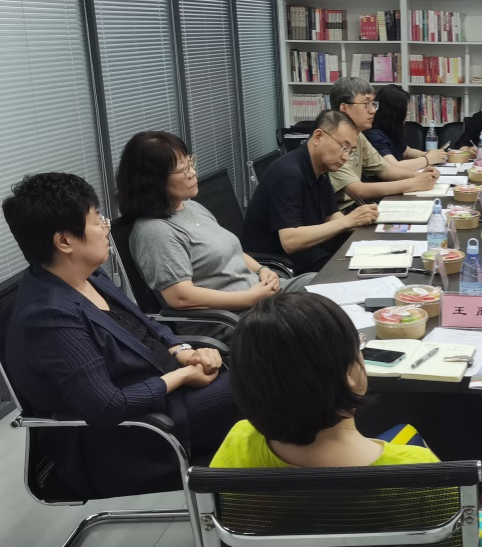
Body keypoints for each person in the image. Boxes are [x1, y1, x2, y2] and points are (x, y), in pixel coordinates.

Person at [212, 292, 482, 547]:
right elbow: (473, 538)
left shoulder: (240, 438)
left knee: (404, 432)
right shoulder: (415, 470)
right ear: (350, 375)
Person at [2, 172, 237, 498]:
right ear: (65, 241)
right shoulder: (49, 315)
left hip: (165, 392)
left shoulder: (87, 275)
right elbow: (107, 406)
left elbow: (147, 325)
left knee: (270, 363)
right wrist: (183, 376)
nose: (106, 227)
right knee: (268, 384)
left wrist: (183, 350)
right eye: (97, 220)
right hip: (137, 436)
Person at [115, 131, 316, 312]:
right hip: (238, 317)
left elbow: (231, 250)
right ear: (152, 181)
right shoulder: (155, 231)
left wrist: (262, 270)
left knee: (321, 282)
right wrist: (248, 299)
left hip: (260, 295)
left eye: (190, 163)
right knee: (318, 312)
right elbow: (180, 297)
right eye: (183, 169)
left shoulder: (191, 207)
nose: (192, 173)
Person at [242, 110, 379, 275]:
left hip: (310, 249)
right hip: (279, 263)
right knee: (355, 272)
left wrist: (364, 220)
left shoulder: (321, 169)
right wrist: (349, 221)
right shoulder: (288, 174)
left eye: (350, 151)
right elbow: (290, 241)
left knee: (372, 253)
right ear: (318, 137)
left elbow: (331, 216)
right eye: (343, 147)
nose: (345, 157)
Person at [329, 77, 439, 209]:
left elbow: (386, 170)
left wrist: (422, 175)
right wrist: (414, 183)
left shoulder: (359, 136)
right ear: (344, 108)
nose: (373, 110)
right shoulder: (331, 141)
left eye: (373, 104)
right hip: (342, 213)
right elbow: (358, 190)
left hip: (359, 207)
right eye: (366, 104)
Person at [366, 84, 448, 169]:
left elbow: (406, 151)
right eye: (405, 112)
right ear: (395, 114)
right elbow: (394, 167)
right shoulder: (374, 136)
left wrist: (427, 154)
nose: (406, 117)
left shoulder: (389, 128)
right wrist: (428, 159)